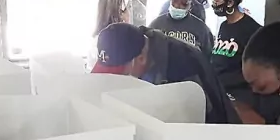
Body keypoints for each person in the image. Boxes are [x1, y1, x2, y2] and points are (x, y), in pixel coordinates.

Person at [92, 22, 240, 124]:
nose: (115, 80)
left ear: (141, 58)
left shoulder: (183, 67)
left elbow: (198, 121)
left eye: (120, 74)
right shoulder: (138, 42)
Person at [211, 0, 262, 108]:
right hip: (219, 94)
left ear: (230, 2)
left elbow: (254, 72)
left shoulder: (253, 30)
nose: (214, 4)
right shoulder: (223, 26)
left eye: (217, 1)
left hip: (239, 101)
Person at [150, 0, 214, 53]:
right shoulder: (156, 25)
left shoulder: (201, 29)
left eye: (184, 3)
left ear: (191, 6)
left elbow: (208, 55)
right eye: (174, 1)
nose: (177, 6)